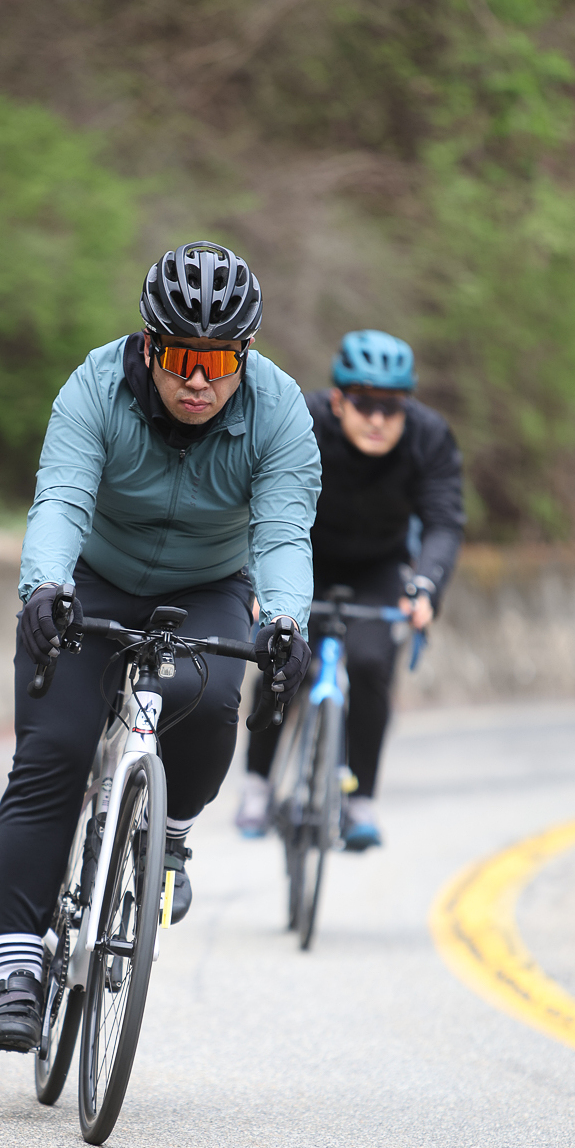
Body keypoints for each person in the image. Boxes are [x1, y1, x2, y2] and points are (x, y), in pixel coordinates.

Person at [0, 241, 321, 1052]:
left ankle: (167, 837)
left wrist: (285, 620)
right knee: (53, 752)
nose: (198, 381)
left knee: (211, 700)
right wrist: (45, 587)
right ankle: (18, 969)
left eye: (219, 361)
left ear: (244, 355)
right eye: (180, 358)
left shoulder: (279, 411)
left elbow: (282, 531)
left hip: (208, 585)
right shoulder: (94, 387)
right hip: (92, 579)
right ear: (147, 347)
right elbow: (62, 498)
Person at [236, 329, 465, 850]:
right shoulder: (304, 422)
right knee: (281, 654)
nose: (378, 419)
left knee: (369, 664)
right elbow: (259, 499)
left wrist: (425, 587)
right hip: (302, 556)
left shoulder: (429, 437)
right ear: (339, 400)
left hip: (378, 567)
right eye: (364, 404)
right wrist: (256, 578)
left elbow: (444, 522)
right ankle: (257, 783)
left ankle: (360, 797)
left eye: (391, 406)